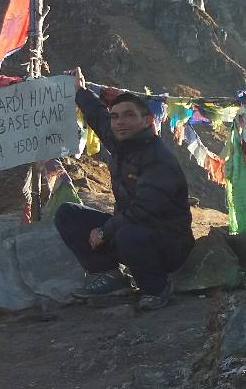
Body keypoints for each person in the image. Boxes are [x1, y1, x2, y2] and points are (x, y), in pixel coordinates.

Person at [54, 67, 193, 311]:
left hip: (169, 243)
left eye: (128, 115)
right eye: (115, 116)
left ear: (147, 120)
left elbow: (144, 210)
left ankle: (156, 288)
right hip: (131, 230)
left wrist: (104, 231)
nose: (119, 122)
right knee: (68, 214)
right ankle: (111, 277)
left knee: (128, 233)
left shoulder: (159, 159)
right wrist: (80, 91)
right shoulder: (123, 144)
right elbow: (98, 118)